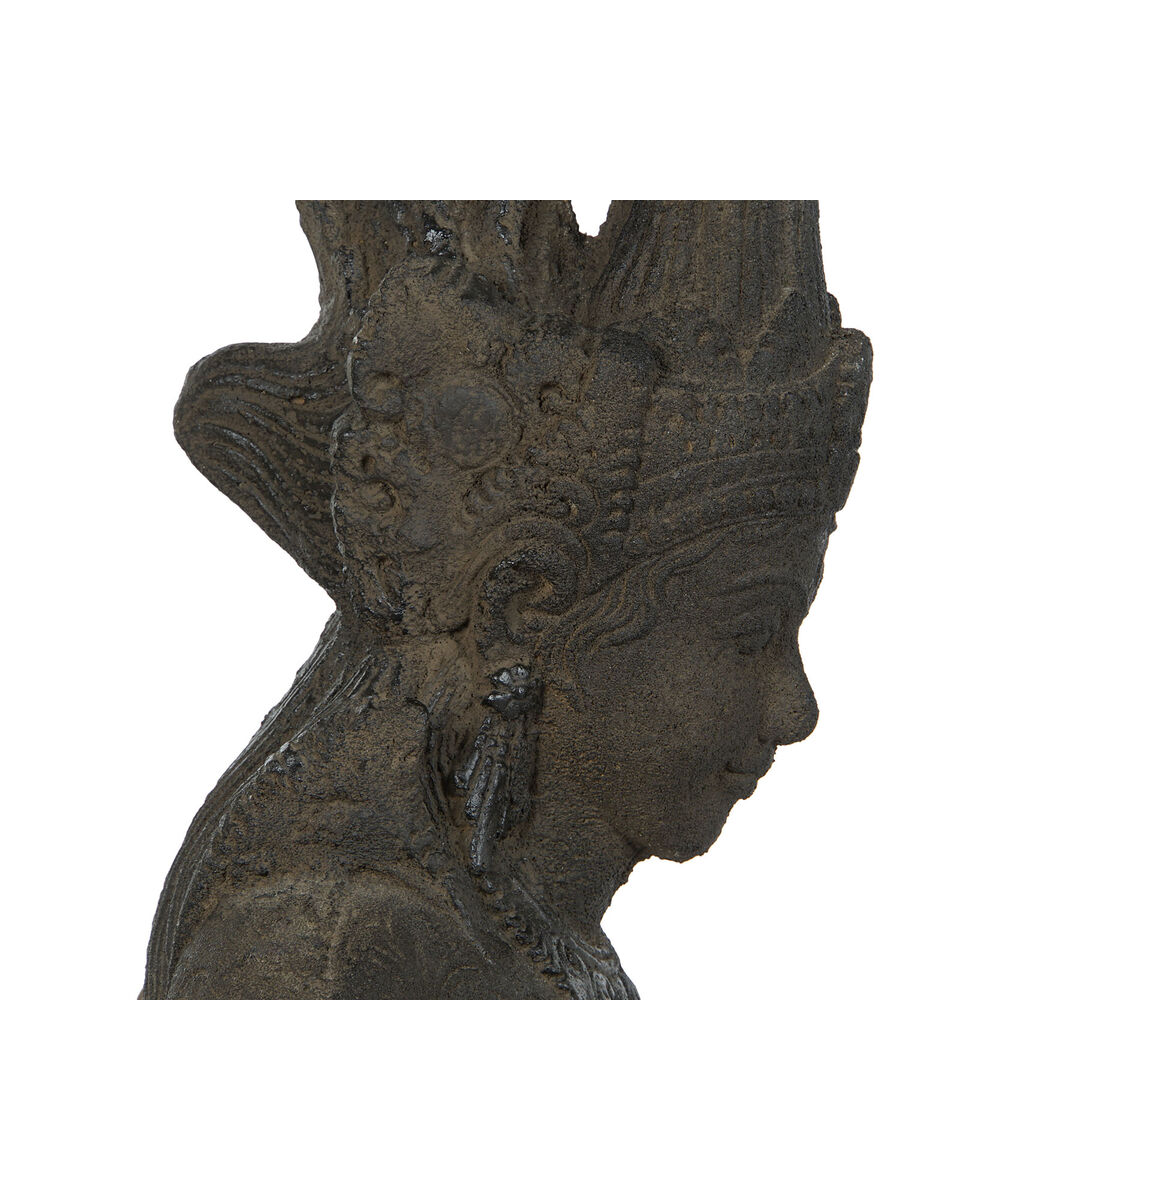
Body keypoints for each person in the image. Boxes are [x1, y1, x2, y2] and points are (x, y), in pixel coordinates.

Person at [142, 200, 872, 999]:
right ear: (523, 607)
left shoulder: (543, 943)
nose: (796, 711)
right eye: (751, 634)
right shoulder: (332, 959)